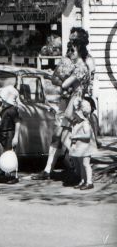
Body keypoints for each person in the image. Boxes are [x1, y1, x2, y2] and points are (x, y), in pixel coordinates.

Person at [32, 39, 92, 181]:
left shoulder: (81, 66)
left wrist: (66, 81)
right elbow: (55, 78)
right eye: (69, 49)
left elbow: (65, 84)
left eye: (73, 50)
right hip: (70, 102)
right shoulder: (73, 64)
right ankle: (76, 172)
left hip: (74, 103)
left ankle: (81, 171)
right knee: (61, 135)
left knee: (68, 136)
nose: (70, 52)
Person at [68, 99, 97, 190]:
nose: (75, 116)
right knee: (81, 164)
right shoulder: (76, 123)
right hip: (80, 147)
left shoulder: (85, 123)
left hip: (86, 147)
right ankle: (83, 180)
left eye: (77, 114)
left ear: (82, 114)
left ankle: (89, 182)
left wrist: (76, 136)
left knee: (86, 164)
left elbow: (87, 135)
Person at [0, 85, 21, 184]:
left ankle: (13, 175)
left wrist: (16, 137)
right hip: (5, 133)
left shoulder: (12, 110)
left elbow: (18, 123)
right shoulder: (5, 109)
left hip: (10, 133)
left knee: (10, 153)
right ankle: (7, 174)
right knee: (6, 153)